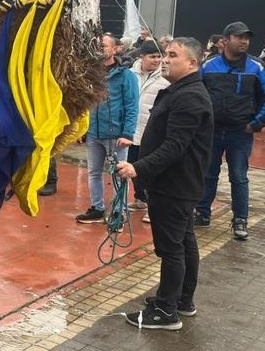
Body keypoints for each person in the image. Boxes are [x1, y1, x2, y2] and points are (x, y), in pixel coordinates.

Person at [116, 37, 213, 331]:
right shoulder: (181, 91)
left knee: (171, 249)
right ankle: (181, 300)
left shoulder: (190, 96)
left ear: (192, 63)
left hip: (175, 186)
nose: (165, 60)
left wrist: (137, 168)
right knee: (183, 243)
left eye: (172, 55)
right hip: (177, 185)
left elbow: (175, 146)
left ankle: (166, 311)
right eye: (165, 54)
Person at [196, 22, 265, 240]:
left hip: (240, 132)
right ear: (225, 40)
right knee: (207, 174)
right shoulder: (208, 66)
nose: (244, 41)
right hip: (211, 132)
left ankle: (240, 220)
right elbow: (196, 93)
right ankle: (202, 213)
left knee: (238, 177)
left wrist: (256, 123)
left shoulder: (256, 67)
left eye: (247, 38)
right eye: (239, 37)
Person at [76, 34, 139, 224]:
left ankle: (120, 211)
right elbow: (85, 103)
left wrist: (127, 133)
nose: (98, 49)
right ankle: (97, 208)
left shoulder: (126, 75)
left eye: (102, 46)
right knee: (93, 172)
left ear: (115, 49)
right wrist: (82, 129)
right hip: (94, 133)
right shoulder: (90, 74)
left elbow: (132, 105)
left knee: (119, 174)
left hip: (116, 135)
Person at [127, 40, 170, 218]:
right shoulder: (130, 74)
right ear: (141, 57)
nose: (157, 60)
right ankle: (140, 199)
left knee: (150, 168)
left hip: (151, 131)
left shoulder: (166, 77)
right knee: (132, 166)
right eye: (152, 56)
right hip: (131, 131)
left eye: (159, 56)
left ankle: (153, 204)